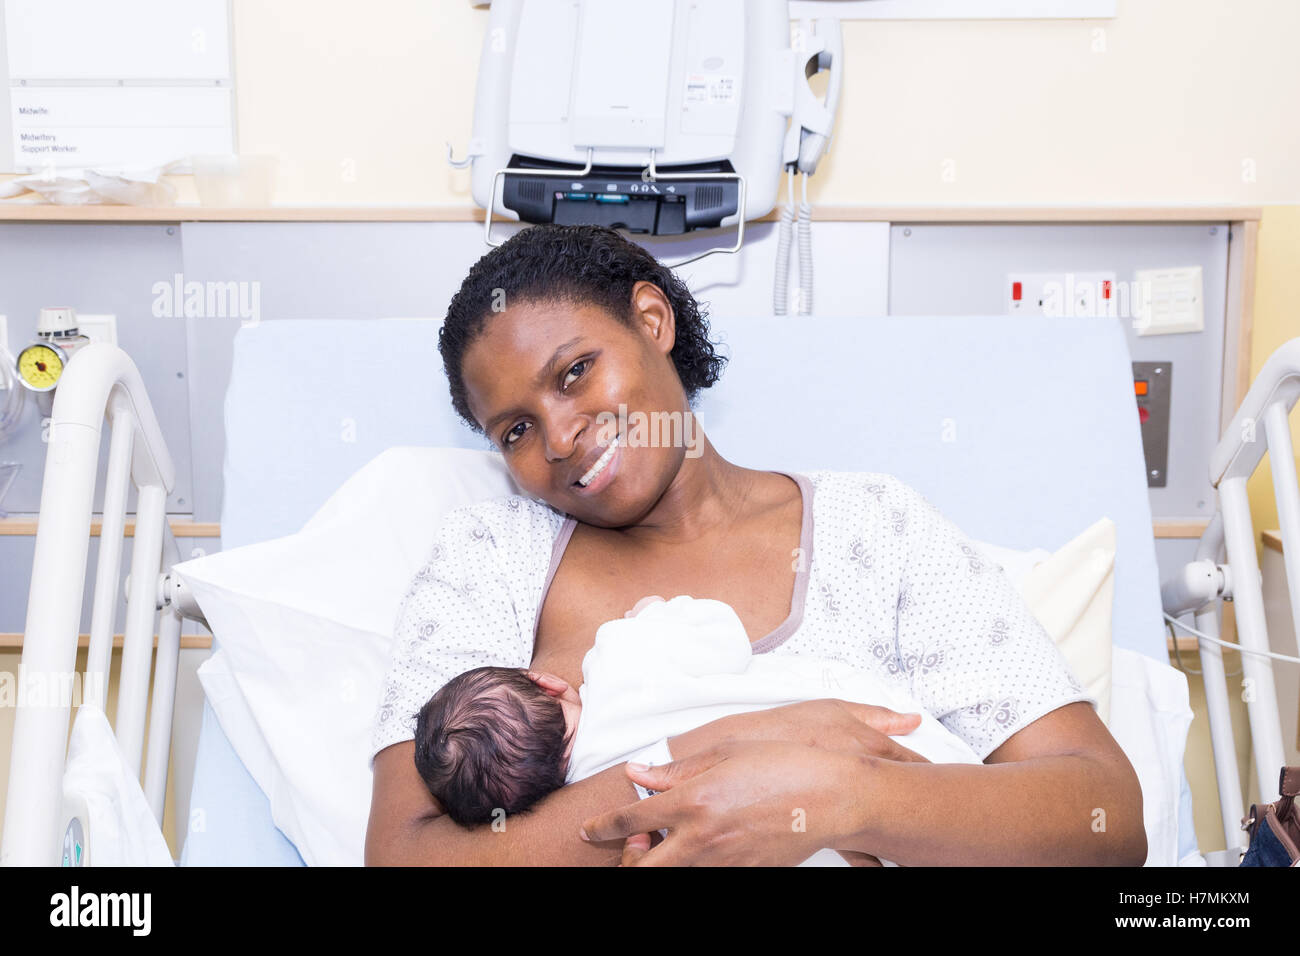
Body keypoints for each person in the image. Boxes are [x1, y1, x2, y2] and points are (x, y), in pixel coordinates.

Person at [364, 223, 1146, 866]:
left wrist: (842, 799)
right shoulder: (490, 560)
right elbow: (404, 858)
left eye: (574, 373)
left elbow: (1103, 814)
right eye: (518, 430)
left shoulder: (876, 527)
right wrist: (723, 753)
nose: (561, 437)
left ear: (651, 320)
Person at [411, 594, 981, 841]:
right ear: (547, 681)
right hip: (861, 723)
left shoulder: (600, 792)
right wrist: (652, 613)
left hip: (815, 824)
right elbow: (724, 636)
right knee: (948, 782)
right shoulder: (617, 658)